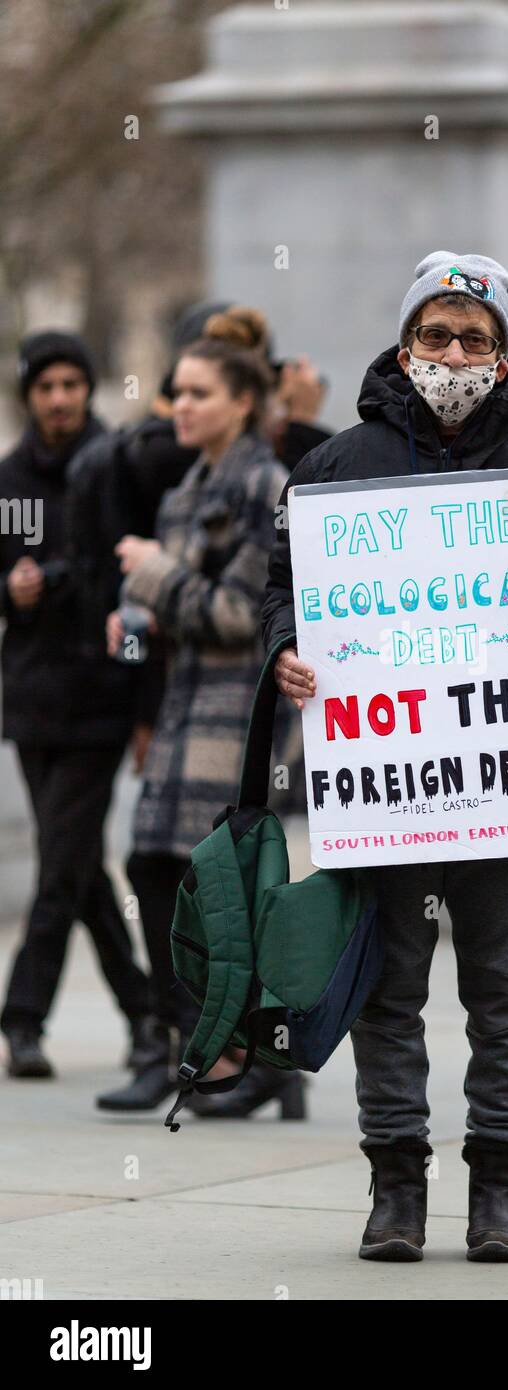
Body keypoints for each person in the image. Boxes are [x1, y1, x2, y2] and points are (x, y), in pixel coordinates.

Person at [262, 250, 508, 1263]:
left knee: (501, 993)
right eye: (435, 334)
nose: (453, 354)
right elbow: (279, 596)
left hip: (498, 791)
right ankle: (395, 1192)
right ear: (403, 344)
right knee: (387, 991)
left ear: (502, 352)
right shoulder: (334, 470)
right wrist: (286, 656)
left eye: (475, 338)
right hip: (384, 793)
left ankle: (497, 1193)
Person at [94, 308, 302, 1119]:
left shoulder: (264, 487)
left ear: (244, 401)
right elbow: (180, 614)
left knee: (213, 886)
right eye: (176, 392)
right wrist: (134, 624)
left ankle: (248, 1060)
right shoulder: (183, 490)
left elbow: (238, 613)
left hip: (237, 711)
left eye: (198, 393)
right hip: (180, 708)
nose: (178, 405)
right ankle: (194, 1047)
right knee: (151, 866)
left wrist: (150, 579)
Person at [0, 332, 152, 1078]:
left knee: (60, 866)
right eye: (46, 386)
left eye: (71, 384)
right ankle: (149, 1015)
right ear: (29, 394)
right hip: (32, 702)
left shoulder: (119, 464)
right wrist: (12, 590)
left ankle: (21, 1018)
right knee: (81, 867)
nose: (59, 398)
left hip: (100, 700)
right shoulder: (9, 480)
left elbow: (141, 586)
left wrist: (141, 701)